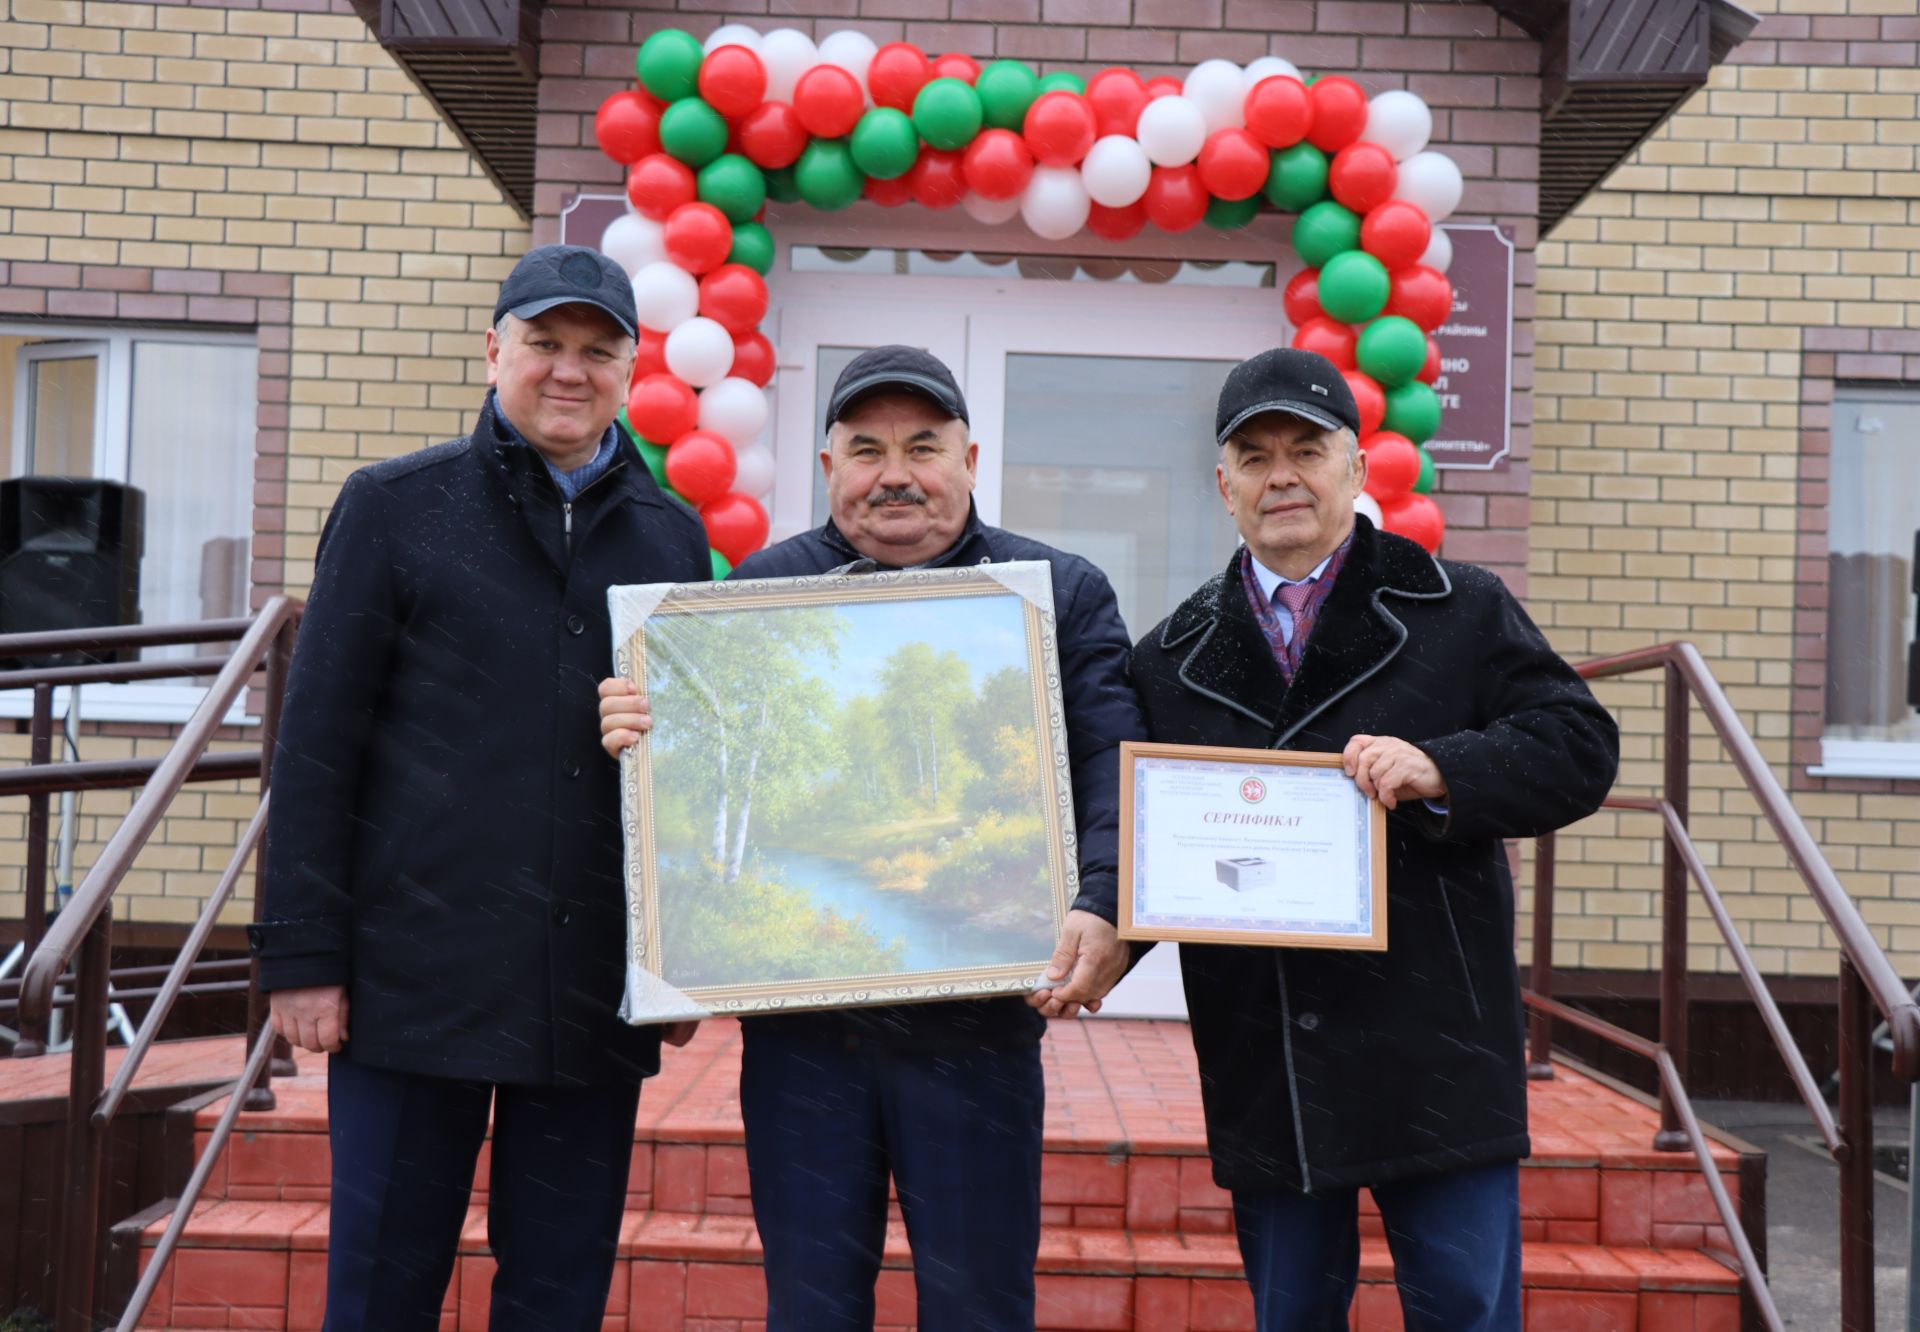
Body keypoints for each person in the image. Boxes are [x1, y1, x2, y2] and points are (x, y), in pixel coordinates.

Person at [598, 345, 1143, 1332]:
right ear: (827, 470)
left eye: (923, 447)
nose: (896, 474)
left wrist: (1103, 902)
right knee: (810, 1307)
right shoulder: (754, 595)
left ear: (971, 459)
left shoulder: (1059, 593)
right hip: (806, 1045)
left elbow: (1114, 767)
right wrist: (643, 734)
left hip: (979, 1036)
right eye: (867, 449)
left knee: (979, 1307)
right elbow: (708, 788)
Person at [248, 245, 712, 1332]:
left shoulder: (671, 535)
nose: (569, 370)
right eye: (544, 344)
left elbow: (700, 771)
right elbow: (316, 745)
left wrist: (688, 956)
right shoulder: (393, 508)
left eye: (598, 351)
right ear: (493, 350)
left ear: (632, 369)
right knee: (380, 1287)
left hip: (589, 992)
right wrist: (301, 954)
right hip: (413, 986)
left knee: (557, 1294)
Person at [1129, 348, 1620, 1331]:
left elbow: (1580, 745)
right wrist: (1091, 934)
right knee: (1293, 1317)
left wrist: (1446, 768)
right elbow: (1148, 844)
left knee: (1465, 1313)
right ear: (1223, 486)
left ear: (1356, 469)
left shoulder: (1459, 607)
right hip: (1271, 1064)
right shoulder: (1170, 658)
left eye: (1307, 450)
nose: (1282, 476)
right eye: (1255, 455)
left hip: (1434, 1051)